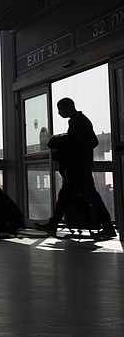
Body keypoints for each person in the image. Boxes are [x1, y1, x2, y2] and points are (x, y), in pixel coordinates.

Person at [35, 98, 117, 239]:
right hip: (81, 166)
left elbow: (75, 142)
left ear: (67, 108)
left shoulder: (78, 121)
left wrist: (59, 141)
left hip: (77, 167)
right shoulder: (81, 120)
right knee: (73, 195)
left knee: (86, 195)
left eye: (60, 109)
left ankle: (108, 226)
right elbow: (94, 142)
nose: (59, 112)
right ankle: (54, 224)